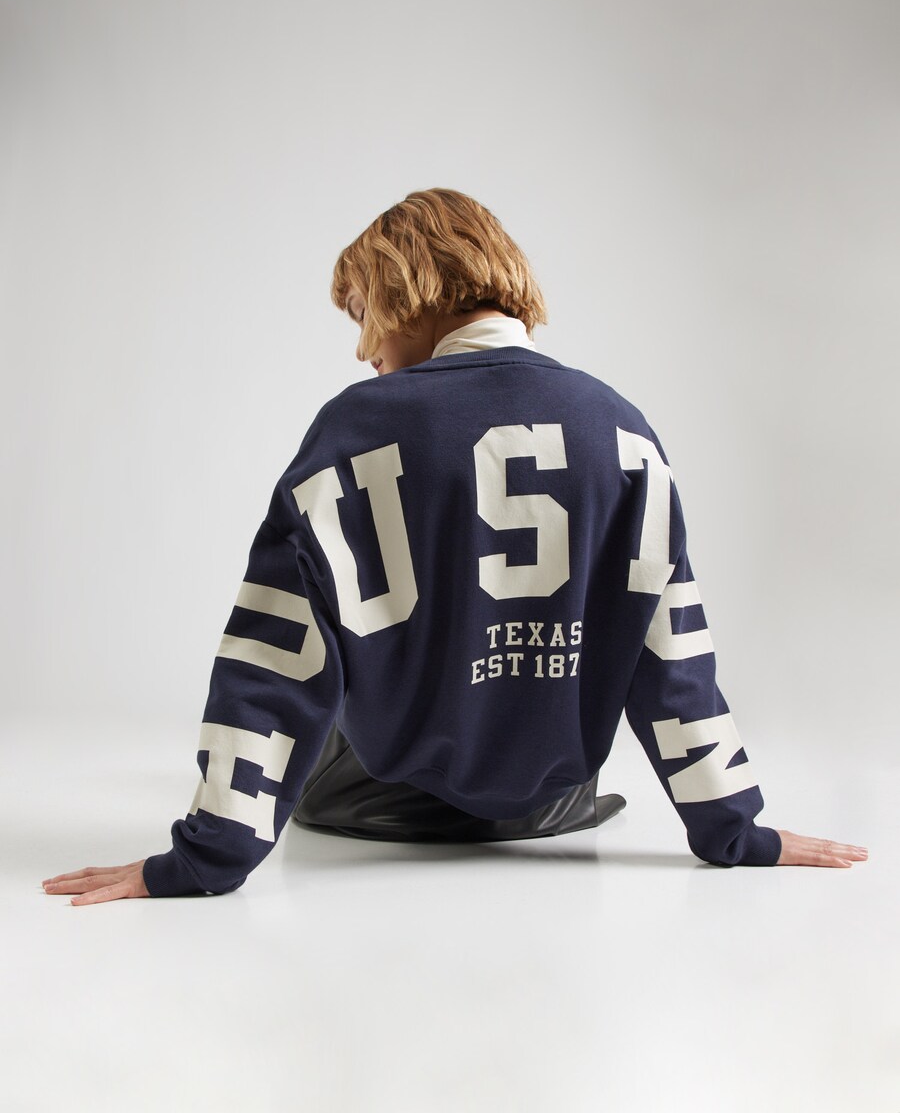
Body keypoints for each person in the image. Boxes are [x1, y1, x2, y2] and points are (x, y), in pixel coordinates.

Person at [42, 188, 868, 905]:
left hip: (381, 806)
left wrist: (202, 859)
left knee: (347, 646)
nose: (362, 349)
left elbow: (275, 660)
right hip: (555, 807)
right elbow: (671, 656)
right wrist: (735, 829)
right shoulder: (624, 429)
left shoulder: (354, 428)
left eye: (362, 313)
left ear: (408, 288)